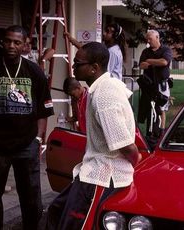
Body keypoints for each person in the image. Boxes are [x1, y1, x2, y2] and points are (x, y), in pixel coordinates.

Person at [46, 42, 141, 230]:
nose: (73, 67)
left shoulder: (104, 95)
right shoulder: (103, 87)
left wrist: (135, 160)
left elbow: (125, 145)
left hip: (102, 177)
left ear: (94, 68)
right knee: (56, 211)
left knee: (74, 225)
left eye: (77, 63)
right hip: (92, 172)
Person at [0, 25, 54, 230]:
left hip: (26, 145)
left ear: (25, 45)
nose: (11, 45)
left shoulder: (34, 71)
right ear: (3, 42)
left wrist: (38, 139)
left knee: (31, 197)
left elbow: (43, 111)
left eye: (17, 42)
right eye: (8, 41)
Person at [138, 29, 172, 138]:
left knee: (161, 109)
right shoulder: (145, 51)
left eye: (150, 39)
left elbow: (164, 62)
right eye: (147, 39)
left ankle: (161, 133)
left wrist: (149, 61)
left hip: (162, 85)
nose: (148, 41)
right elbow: (142, 65)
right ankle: (150, 132)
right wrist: (154, 62)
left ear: (157, 38)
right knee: (149, 108)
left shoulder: (166, 50)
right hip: (149, 85)